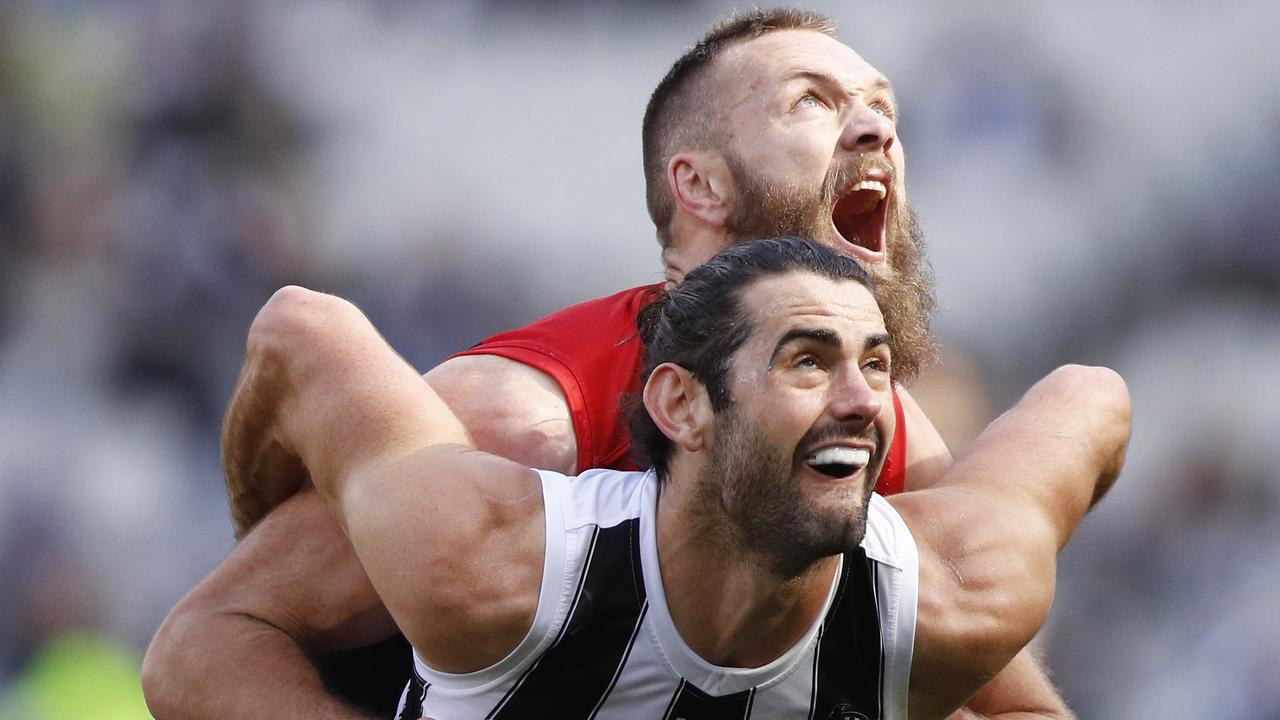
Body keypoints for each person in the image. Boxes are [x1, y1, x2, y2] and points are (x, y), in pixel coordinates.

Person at [143, 9, 1070, 719]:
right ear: (698, 186)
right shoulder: (521, 428)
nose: (876, 133)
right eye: (815, 103)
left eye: (884, 111)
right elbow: (200, 648)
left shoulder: (887, 445)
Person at [222, 238, 1130, 719]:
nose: (863, 400)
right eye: (808, 362)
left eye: (879, 364)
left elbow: (1094, 399)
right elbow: (302, 329)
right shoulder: (491, 563)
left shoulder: (956, 594)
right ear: (682, 407)